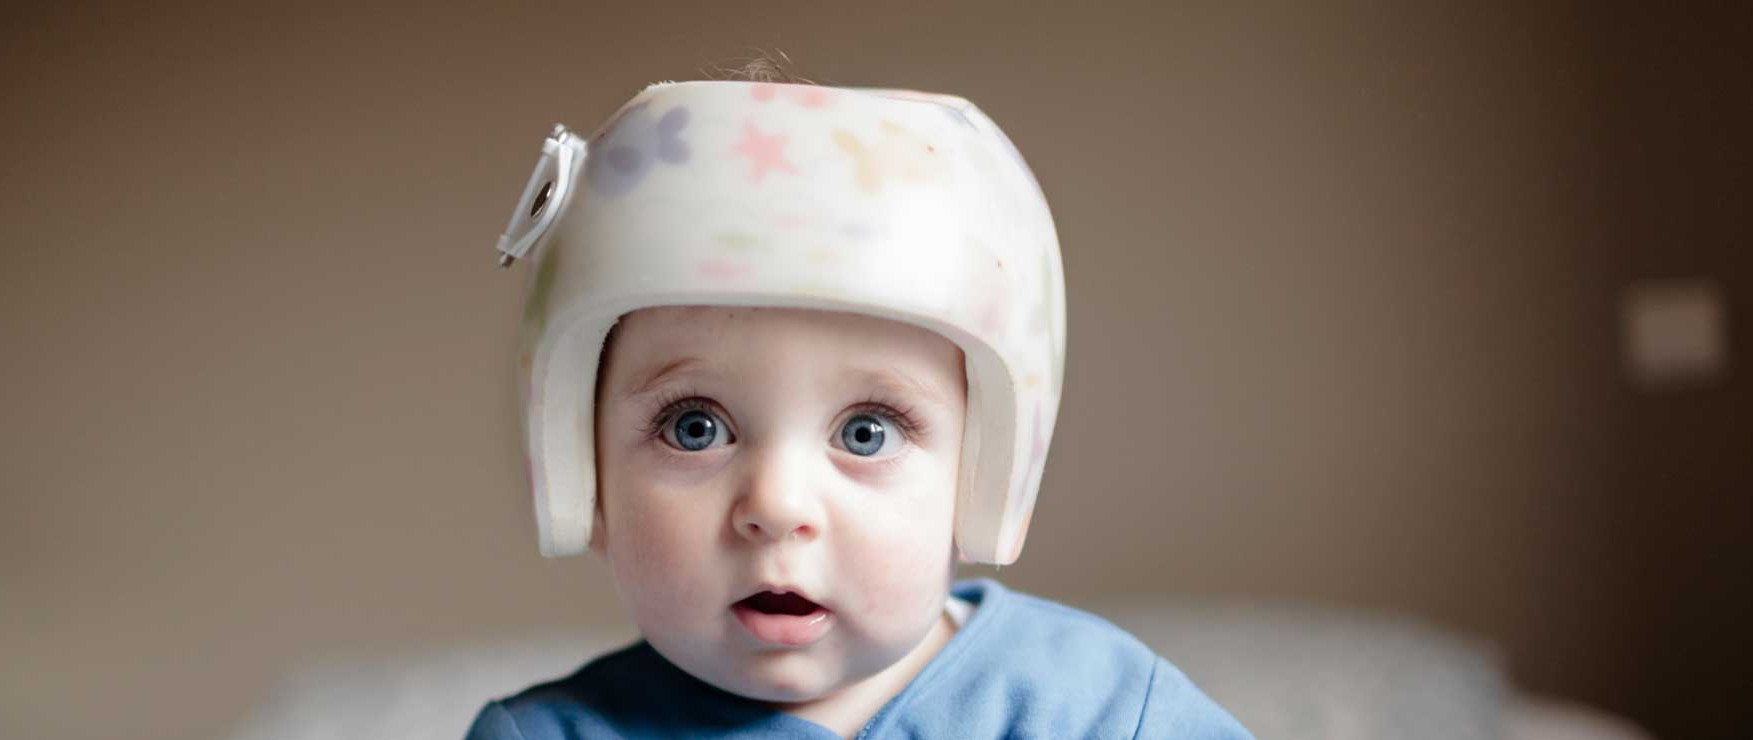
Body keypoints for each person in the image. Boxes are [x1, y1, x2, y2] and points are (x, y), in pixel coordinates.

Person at [470, 78, 1250, 739]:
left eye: (866, 432)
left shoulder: (1099, 712)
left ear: (987, 479)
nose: (776, 506)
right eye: (694, 427)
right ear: (582, 475)